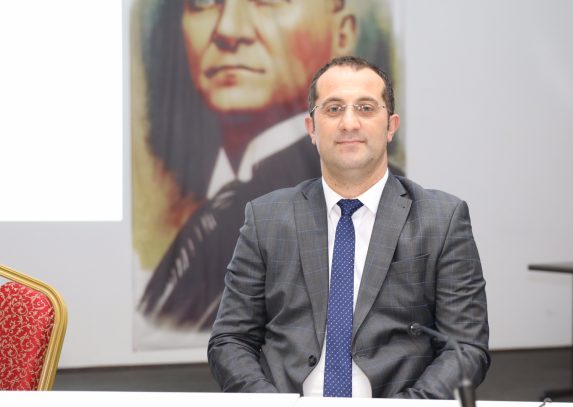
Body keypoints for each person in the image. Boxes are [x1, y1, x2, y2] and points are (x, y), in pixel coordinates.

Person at [207, 56, 490, 398]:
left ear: (391, 126)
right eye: (333, 109)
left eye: (366, 108)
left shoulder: (441, 219)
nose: (349, 123)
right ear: (312, 128)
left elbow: (465, 348)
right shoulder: (265, 218)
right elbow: (230, 340)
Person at [136, 0, 400, 332]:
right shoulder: (226, 210)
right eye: (204, 3)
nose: (229, 31)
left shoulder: (396, 211)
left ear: (342, 33)